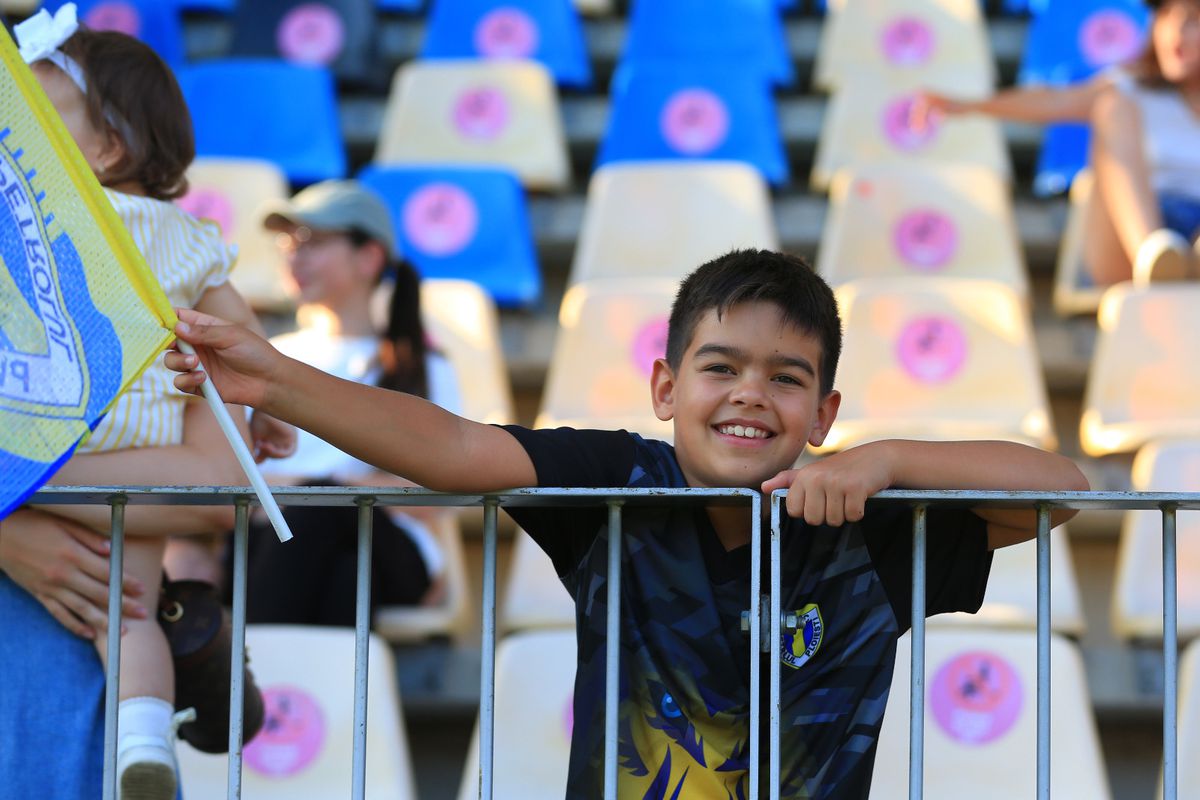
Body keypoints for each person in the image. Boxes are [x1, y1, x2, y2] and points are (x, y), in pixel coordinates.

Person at [168, 249, 1089, 798]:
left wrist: (887, 462)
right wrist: (272, 378)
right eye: (720, 366)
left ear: (824, 413)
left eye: (787, 378)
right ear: (665, 388)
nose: (749, 397)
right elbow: (453, 446)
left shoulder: (869, 528)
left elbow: (1059, 488)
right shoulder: (618, 484)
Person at [9, 7, 287, 798]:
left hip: (39, 434)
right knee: (128, 604)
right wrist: (269, 407)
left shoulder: (23, 226)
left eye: (33, 123)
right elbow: (239, 335)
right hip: (135, 435)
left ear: (106, 147)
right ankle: (144, 743)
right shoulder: (182, 234)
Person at [229, 180, 460, 626]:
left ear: (369, 257)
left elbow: (442, 489)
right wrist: (354, 485)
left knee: (324, 508)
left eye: (313, 241)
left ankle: (258, 672)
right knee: (343, 572)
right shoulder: (269, 355)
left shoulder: (425, 365)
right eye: (288, 242)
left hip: (388, 549)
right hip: (285, 545)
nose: (294, 254)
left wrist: (316, 487)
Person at [913, 0, 1200, 286]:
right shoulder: (1129, 90)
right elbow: (1054, 100)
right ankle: (1156, 258)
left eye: (1192, 19)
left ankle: (1182, 266)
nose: (1175, 32)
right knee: (1111, 108)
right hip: (1130, 242)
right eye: (1165, 16)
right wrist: (970, 106)